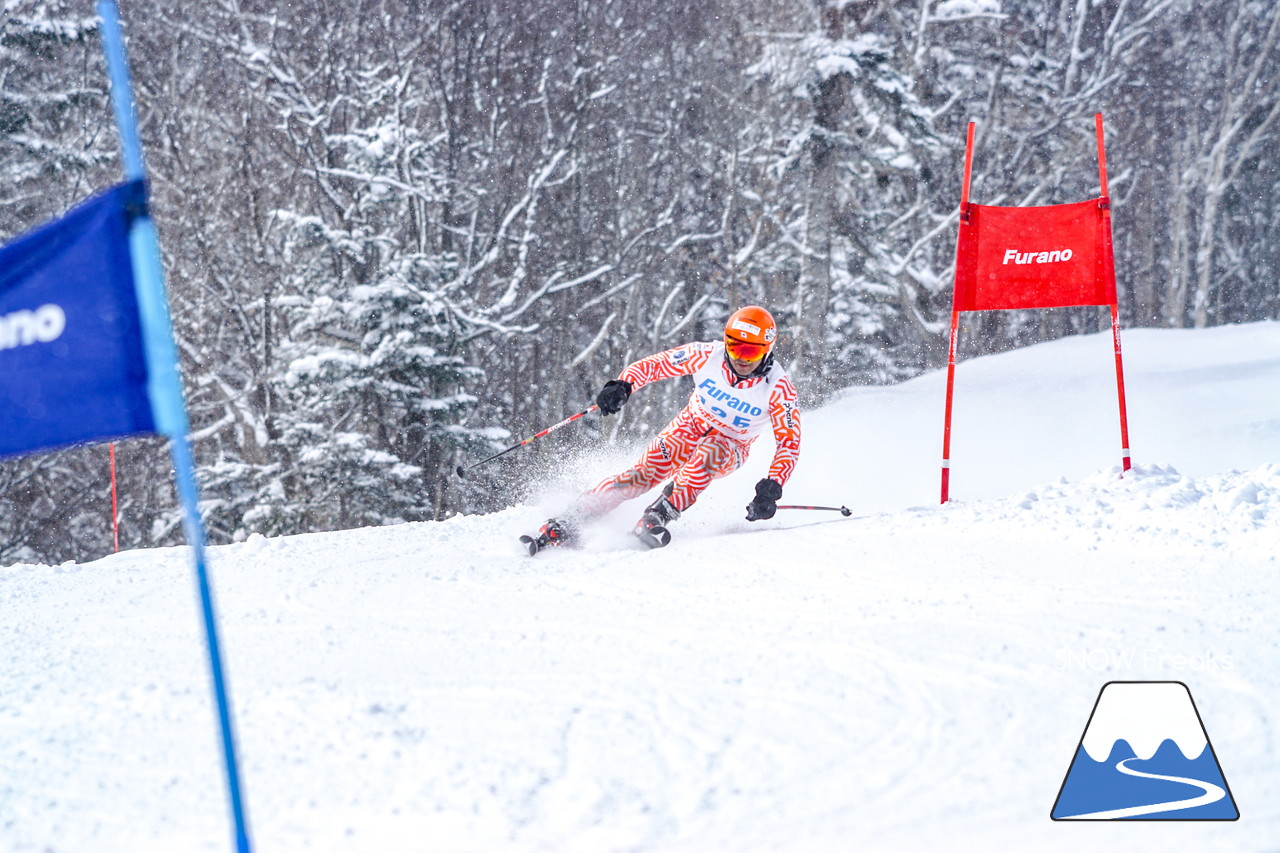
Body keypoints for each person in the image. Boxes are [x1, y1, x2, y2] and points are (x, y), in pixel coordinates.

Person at [525, 305, 801, 552]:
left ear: (767, 349)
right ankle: (570, 518)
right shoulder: (707, 355)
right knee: (641, 475)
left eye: (750, 350)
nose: (741, 358)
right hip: (690, 426)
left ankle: (658, 515)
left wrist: (771, 487)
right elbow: (657, 364)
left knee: (710, 453)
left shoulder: (778, 389)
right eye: (734, 348)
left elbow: (789, 443)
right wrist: (623, 384)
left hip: (733, 444)